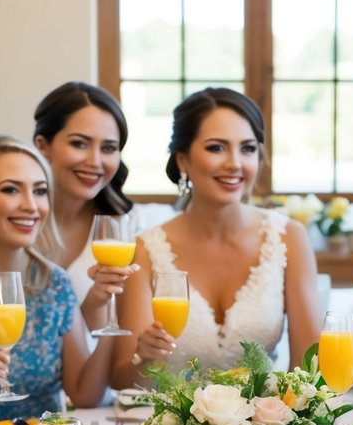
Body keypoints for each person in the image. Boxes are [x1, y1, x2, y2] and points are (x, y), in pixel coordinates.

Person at [111, 87, 322, 383]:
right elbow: (121, 380)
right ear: (182, 160)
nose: (235, 163)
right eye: (216, 148)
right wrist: (144, 356)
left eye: (247, 149)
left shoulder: (289, 237)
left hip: (265, 413)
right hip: (168, 413)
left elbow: (309, 369)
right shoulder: (144, 250)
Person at [0, 134, 117, 417]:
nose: (31, 205)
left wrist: (111, 320)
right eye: (11, 190)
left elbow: (83, 395)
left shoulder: (55, 283)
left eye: (40, 191)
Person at [33, 81, 137, 310]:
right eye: (79, 144)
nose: (95, 162)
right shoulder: (16, 220)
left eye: (108, 148)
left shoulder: (128, 229)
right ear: (43, 145)